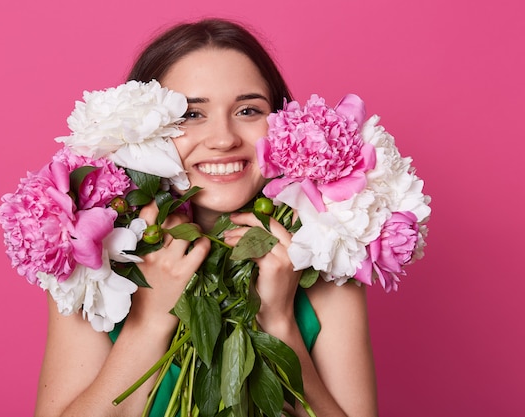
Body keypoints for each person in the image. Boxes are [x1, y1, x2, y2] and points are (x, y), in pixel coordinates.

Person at [34, 18, 378, 417]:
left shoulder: (332, 265)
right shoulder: (89, 260)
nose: (223, 138)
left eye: (249, 110)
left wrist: (280, 323)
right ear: (142, 130)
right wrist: (149, 322)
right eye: (191, 115)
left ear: (283, 124)